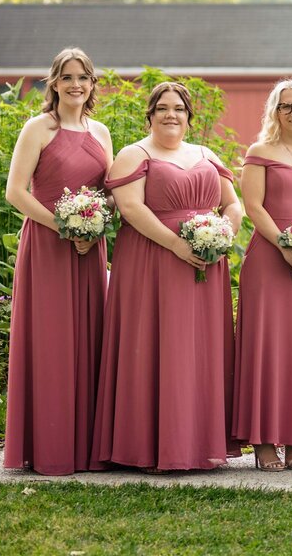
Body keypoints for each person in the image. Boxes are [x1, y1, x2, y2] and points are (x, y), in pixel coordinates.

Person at [92, 82, 243, 472]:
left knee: (198, 349)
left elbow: (233, 204)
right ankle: (147, 445)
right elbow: (131, 208)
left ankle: (197, 444)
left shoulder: (208, 155)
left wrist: (224, 234)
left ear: (190, 118)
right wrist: (176, 245)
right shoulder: (134, 154)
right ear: (150, 114)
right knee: (154, 344)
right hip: (152, 261)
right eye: (162, 108)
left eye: (178, 109)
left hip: (206, 264)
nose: (170, 115)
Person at [4, 48, 113, 475]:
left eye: (83, 77)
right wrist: (64, 228)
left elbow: (107, 192)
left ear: (92, 84)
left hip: (90, 250)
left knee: (91, 339)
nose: (75, 85)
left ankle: (89, 449)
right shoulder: (38, 128)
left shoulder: (101, 132)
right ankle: (50, 448)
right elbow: (16, 192)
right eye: (67, 77)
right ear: (54, 83)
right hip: (48, 246)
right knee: (51, 343)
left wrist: (93, 230)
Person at [232, 79, 292, 471]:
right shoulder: (260, 152)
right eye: (286, 106)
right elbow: (253, 206)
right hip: (269, 257)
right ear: (275, 111)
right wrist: (285, 246)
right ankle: (262, 439)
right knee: (265, 346)